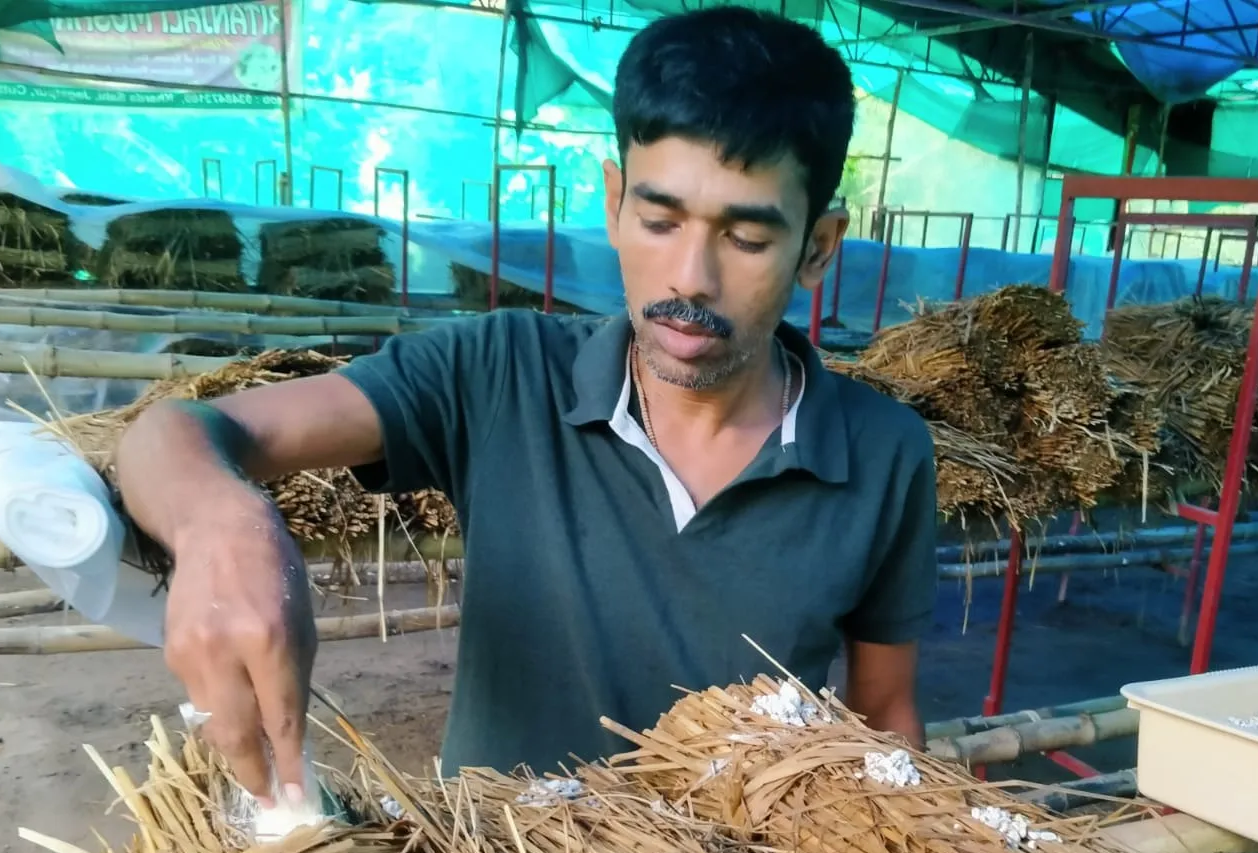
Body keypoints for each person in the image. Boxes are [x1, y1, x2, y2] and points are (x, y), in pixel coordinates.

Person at [114, 5, 938, 805]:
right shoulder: (497, 371)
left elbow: (885, 710)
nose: (692, 276)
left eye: (747, 239)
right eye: (658, 219)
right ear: (614, 201)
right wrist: (221, 524)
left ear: (819, 247)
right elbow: (177, 433)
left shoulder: (884, 453)